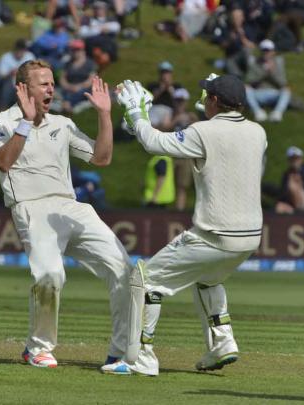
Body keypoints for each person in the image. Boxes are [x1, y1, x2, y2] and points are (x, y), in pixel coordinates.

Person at [102, 74, 267, 376]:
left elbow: (154, 143)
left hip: (213, 235)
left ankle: (141, 358)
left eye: (208, 96)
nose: (203, 99)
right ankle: (222, 343)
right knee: (207, 280)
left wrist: (137, 114)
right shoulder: (258, 132)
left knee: (146, 280)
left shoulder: (202, 131)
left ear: (215, 100)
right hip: (250, 239)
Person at [0, 60, 131, 368]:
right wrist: (25, 122)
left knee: (123, 268)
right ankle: (38, 348)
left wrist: (105, 115)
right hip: (31, 206)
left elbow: (101, 158)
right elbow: (3, 163)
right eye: (43, 84)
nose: (51, 88)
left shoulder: (62, 124)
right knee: (50, 274)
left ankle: (121, 351)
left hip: (70, 206)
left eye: (52, 83)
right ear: (23, 89)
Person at [245, 39, 291, 122]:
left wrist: (272, 73)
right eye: (264, 50)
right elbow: (249, 81)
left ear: (273, 51)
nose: (266, 53)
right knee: (246, 89)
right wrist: (263, 73)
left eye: (268, 50)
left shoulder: (278, 62)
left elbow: (283, 83)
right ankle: (257, 112)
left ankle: (277, 113)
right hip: (258, 93)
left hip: (274, 93)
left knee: (286, 90)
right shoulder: (255, 62)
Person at [0, 39, 35, 110]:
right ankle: (3, 107)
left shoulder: (29, 56)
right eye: (18, 50)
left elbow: (33, 71)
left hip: (23, 81)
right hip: (6, 81)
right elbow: (1, 75)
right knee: (8, 84)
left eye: (22, 50)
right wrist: (11, 73)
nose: (20, 52)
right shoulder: (6, 57)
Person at [275, 146, 304, 214]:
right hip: (290, 203)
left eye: (296, 158)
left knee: (293, 186)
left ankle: (298, 213)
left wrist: (299, 184)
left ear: (301, 159)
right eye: (292, 159)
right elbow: (283, 192)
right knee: (279, 207)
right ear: (289, 161)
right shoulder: (286, 175)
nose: (294, 161)